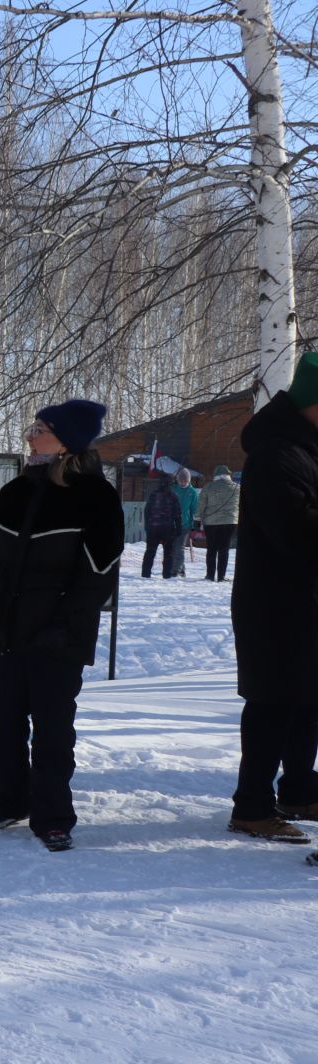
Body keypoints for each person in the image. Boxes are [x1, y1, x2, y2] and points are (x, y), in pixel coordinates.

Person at [0, 399, 123, 852]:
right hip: (6, 631)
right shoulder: (18, 491)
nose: (30, 435)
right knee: (3, 722)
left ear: (66, 441)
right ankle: (9, 800)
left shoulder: (95, 498)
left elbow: (97, 576)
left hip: (59, 638)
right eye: (33, 427)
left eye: (40, 428)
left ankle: (53, 815)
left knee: (53, 730)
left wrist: (64, 626)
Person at [226, 352, 318, 845]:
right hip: (276, 607)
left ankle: (300, 790)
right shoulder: (276, 455)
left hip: (303, 602)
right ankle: (252, 807)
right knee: (272, 704)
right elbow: (297, 532)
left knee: (307, 701)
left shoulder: (306, 448)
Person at [141, 469, 184, 579]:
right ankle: (166, 574)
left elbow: (147, 511)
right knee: (168, 553)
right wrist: (178, 528)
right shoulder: (173, 496)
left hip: (153, 527)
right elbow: (177, 514)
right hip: (167, 528)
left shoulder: (153, 495)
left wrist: (147, 525)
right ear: (171, 483)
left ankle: (145, 574)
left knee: (150, 552)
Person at [200, 463, 239, 582]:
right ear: (228, 475)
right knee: (224, 548)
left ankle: (210, 575)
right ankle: (221, 576)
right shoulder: (237, 488)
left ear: (216, 475)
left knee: (211, 548)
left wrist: (198, 518)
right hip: (230, 522)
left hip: (211, 522)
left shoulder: (208, 487)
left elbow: (201, 505)